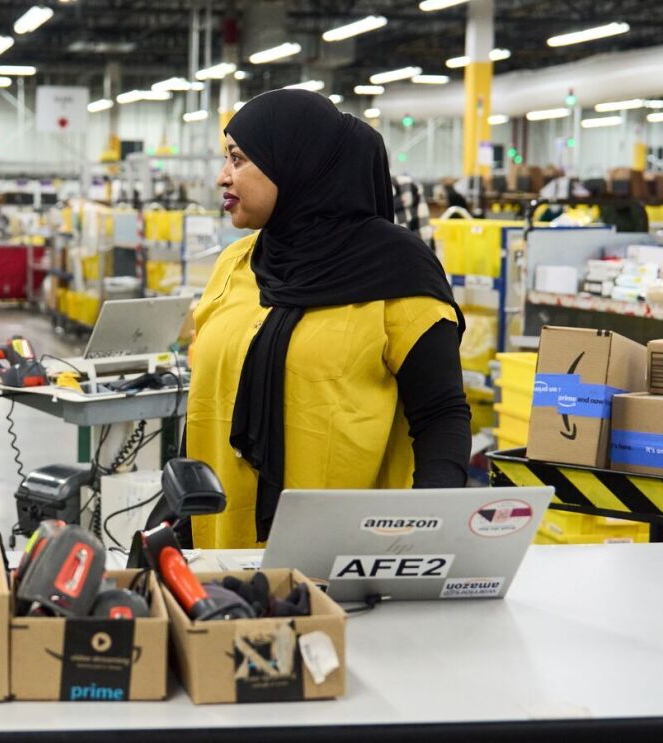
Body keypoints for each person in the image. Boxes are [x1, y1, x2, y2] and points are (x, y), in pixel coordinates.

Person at [188, 89, 471, 549]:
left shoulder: (396, 272)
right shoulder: (236, 263)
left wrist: (424, 531)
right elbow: (205, 408)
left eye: (238, 159)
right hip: (221, 547)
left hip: (348, 559)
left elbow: (441, 416)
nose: (223, 176)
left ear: (296, 163)